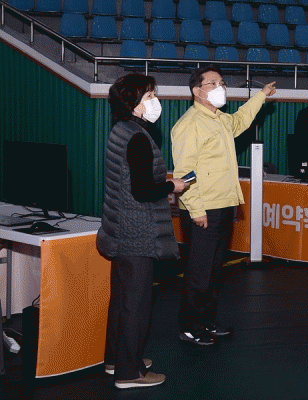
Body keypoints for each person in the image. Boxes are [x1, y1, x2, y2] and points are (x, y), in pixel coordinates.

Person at [171, 66, 276, 346]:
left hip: (222, 205)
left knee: (214, 271)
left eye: (222, 82)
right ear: (197, 91)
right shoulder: (190, 124)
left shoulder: (219, 119)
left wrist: (261, 95)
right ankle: (190, 326)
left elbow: (241, 119)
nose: (221, 87)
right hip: (204, 209)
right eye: (213, 83)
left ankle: (207, 320)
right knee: (199, 272)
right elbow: (184, 173)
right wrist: (195, 209)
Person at [97, 74, 189, 389]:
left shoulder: (120, 130)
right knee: (136, 304)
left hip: (118, 229)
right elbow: (143, 190)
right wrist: (172, 185)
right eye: (148, 95)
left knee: (122, 300)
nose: (154, 101)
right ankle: (129, 372)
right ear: (133, 103)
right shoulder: (138, 138)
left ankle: (116, 359)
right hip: (137, 233)